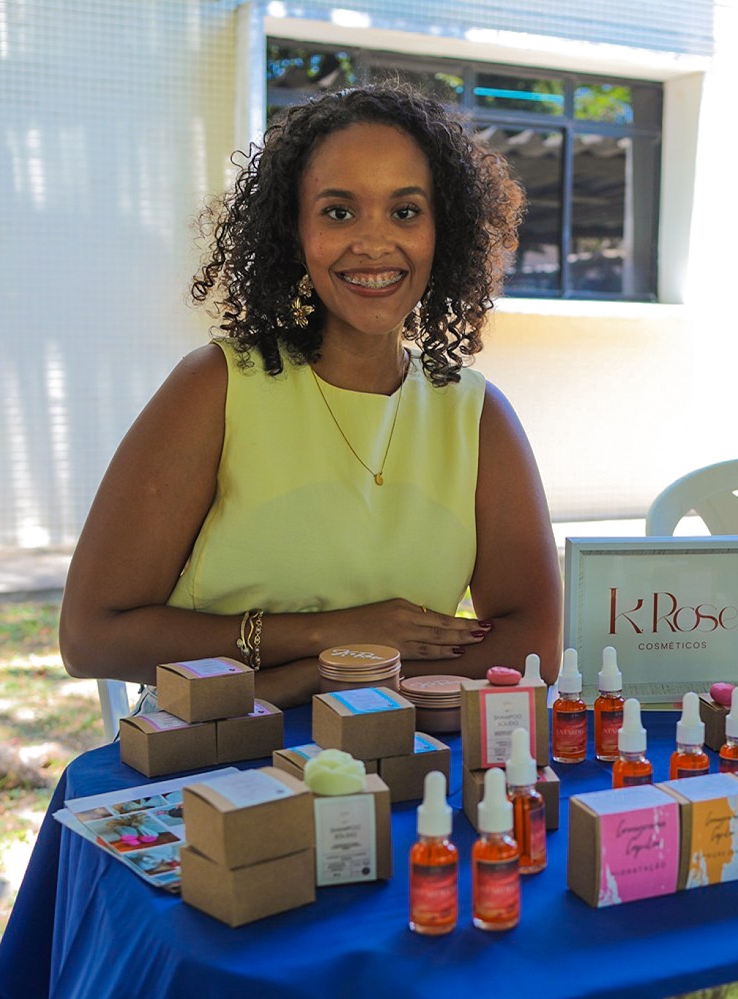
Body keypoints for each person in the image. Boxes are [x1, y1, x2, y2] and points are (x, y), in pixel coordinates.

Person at [59, 84, 562, 709]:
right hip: (218, 751)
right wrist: (331, 641)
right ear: (293, 231)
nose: (374, 243)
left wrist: (336, 676)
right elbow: (91, 637)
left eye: (406, 211)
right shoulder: (216, 387)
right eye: (338, 212)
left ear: (445, 230)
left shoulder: (476, 415)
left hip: (400, 746)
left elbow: (530, 637)